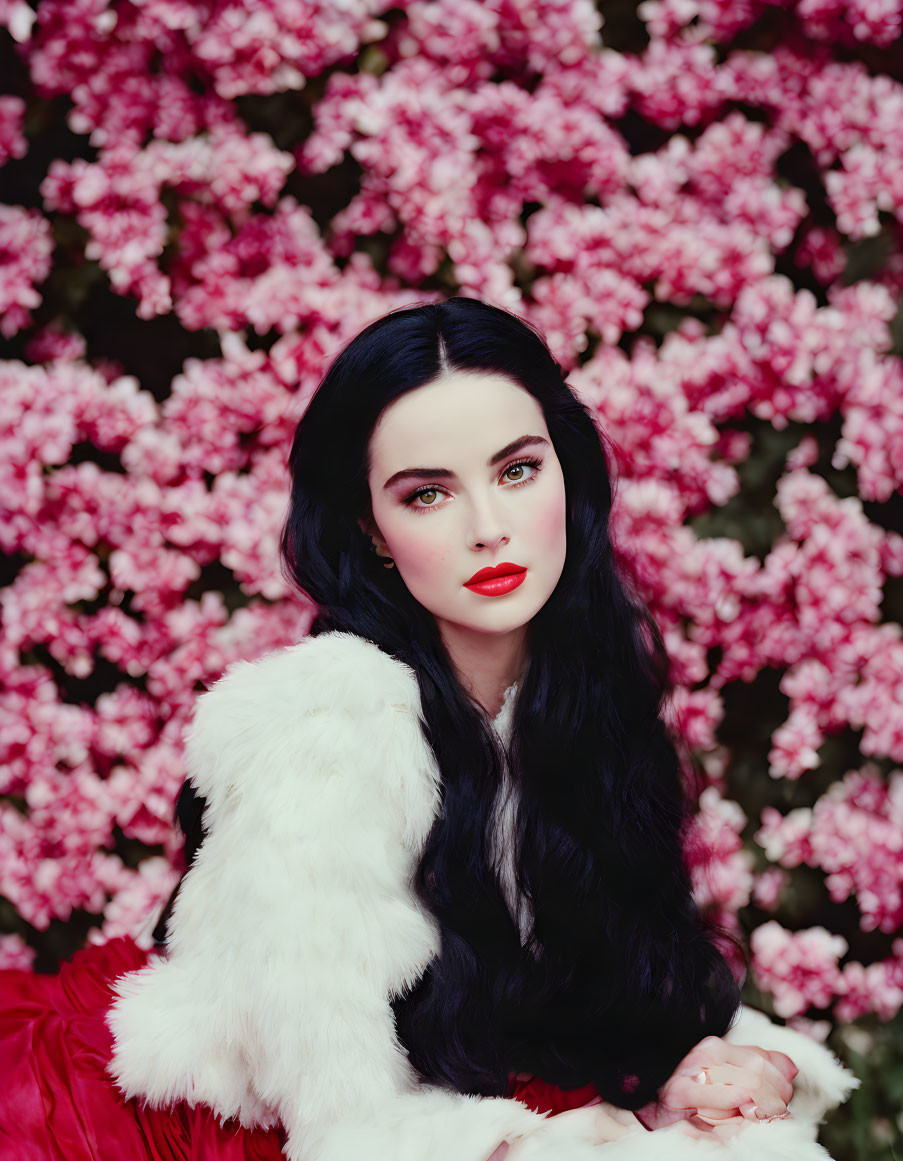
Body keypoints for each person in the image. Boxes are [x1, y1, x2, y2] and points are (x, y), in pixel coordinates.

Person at [0, 297, 856, 1160]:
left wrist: (708, 1069)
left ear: (567, 473)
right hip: (232, 1127)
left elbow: (591, 989)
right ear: (372, 529)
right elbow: (345, 1122)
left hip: (455, 1089)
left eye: (517, 471)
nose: (488, 529)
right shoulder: (325, 733)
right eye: (428, 493)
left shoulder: (575, 694)